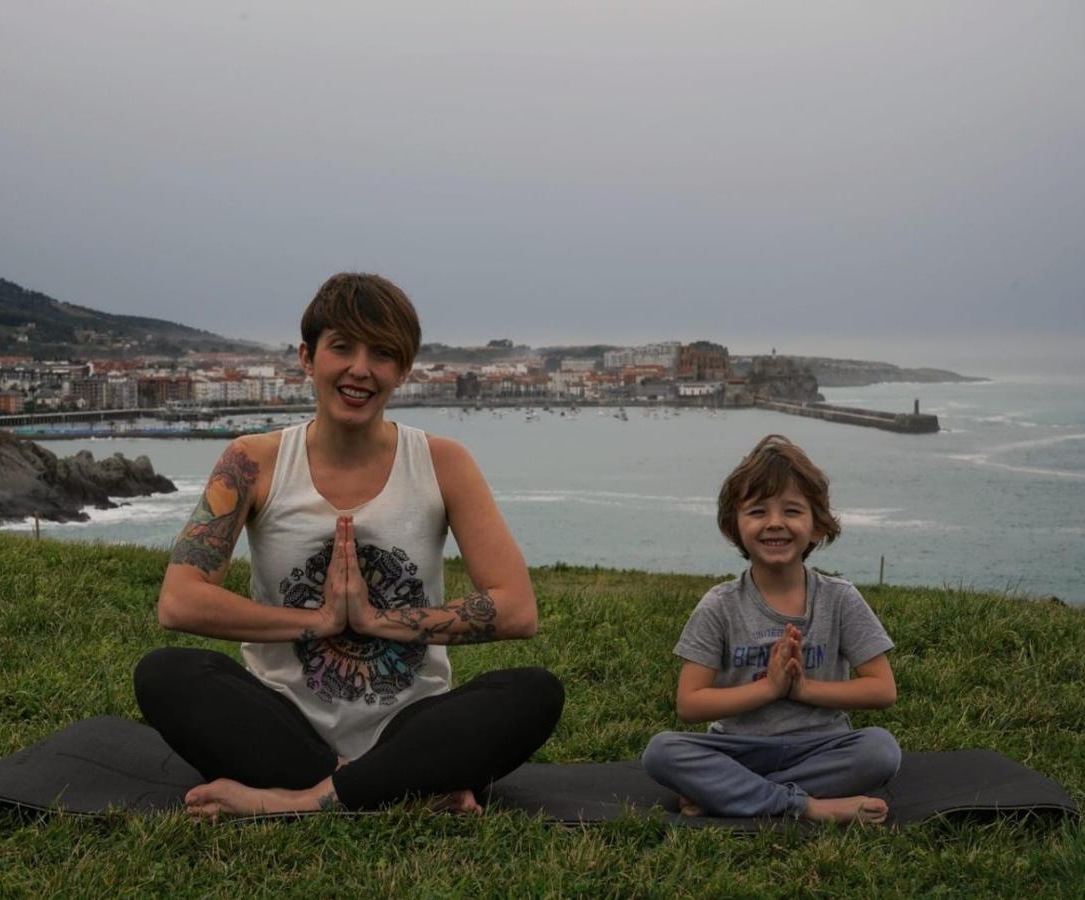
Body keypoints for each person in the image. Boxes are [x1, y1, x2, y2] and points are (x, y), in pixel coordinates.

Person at [134, 273, 564, 817]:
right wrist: (319, 621)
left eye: (383, 354)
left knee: (535, 692)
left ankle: (298, 801)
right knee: (164, 673)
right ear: (307, 358)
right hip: (281, 724)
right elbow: (179, 601)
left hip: (408, 727)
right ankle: (394, 791)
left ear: (403, 372)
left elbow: (517, 609)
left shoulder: (443, 462)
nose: (361, 369)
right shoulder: (252, 461)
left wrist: (375, 621)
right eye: (342, 347)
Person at [642, 434, 900, 823]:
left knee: (880, 751)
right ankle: (806, 806)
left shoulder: (840, 599)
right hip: (738, 749)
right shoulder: (720, 605)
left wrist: (803, 689)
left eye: (792, 511)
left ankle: (731, 793)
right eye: (758, 511)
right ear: (734, 527)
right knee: (661, 752)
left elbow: (882, 690)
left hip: (821, 746)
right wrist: (769, 688)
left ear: (816, 527)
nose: (775, 523)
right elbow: (689, 704)